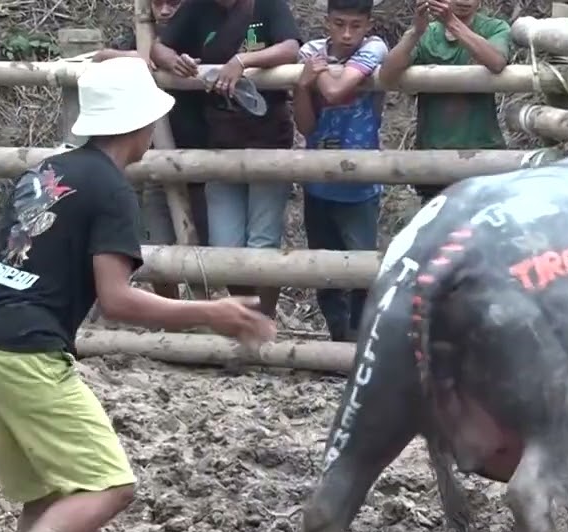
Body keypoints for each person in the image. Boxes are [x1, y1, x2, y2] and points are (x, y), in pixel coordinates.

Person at [0, 57, 276, 532]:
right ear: (141, 125)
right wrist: (214, 313)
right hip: (29, 352)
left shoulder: (45, 172)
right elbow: (118, 300)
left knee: (47, 495)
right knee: (110, 485)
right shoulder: (111, 190)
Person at [151, 0, 302, 318]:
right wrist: (175, 61)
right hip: (219, 143)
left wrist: (242, 60)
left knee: (262, 243)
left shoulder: (268, 6)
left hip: (268, 140)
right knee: (225, 247)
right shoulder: (196, 8)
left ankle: (264, 321)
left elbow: (290, 47)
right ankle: (245, 320)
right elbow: (159, 47)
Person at [93, 0, 209, 301]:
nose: (165, 11)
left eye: (173, 3)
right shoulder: (141, 37)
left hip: (208, 161)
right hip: (156, 161)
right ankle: (173, 320)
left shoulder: (205, 29)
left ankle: (208, 311)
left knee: (213, 249)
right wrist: (139, 57)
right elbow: (101, 57)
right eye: (158, 3)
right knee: (157, 247)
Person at [295, 0, 388, 342]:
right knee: (324, 269)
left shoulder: (375, 47)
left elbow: (335, 91)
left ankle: (361, 340)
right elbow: (305, 125)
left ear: (368, 25)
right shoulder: (311, 50)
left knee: (364, 268)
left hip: (360, 183)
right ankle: (339, 341)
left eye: (355, 25)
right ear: (326, 22)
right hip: (318, 181)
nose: (347, 34)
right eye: (338, 24)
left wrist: (317, 75)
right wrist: (303, 86)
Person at [378, 0, 511, 204]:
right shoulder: (427, 34)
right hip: (433, 156)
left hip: (484, 154)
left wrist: (452, 23)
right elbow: (387, 75)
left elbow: (496, 61)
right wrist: (415, 33)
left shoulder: (495, 28)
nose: (462, 1)